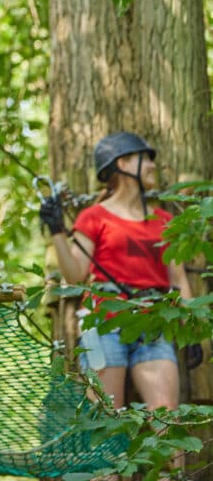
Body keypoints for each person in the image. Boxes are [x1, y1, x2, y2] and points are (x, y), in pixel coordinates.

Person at [39, 131, 194, 421]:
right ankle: (110, 469)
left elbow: (178, 280)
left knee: (167, 420)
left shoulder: (163, 221)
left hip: (154, 324)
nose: (151, 165)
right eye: (144, 158)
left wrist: (192, 332)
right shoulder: (94, 217)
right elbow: (74, 276)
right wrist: (57, 230)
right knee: (106, 423)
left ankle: (177, 469)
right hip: (104, 325)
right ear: (123, 163)